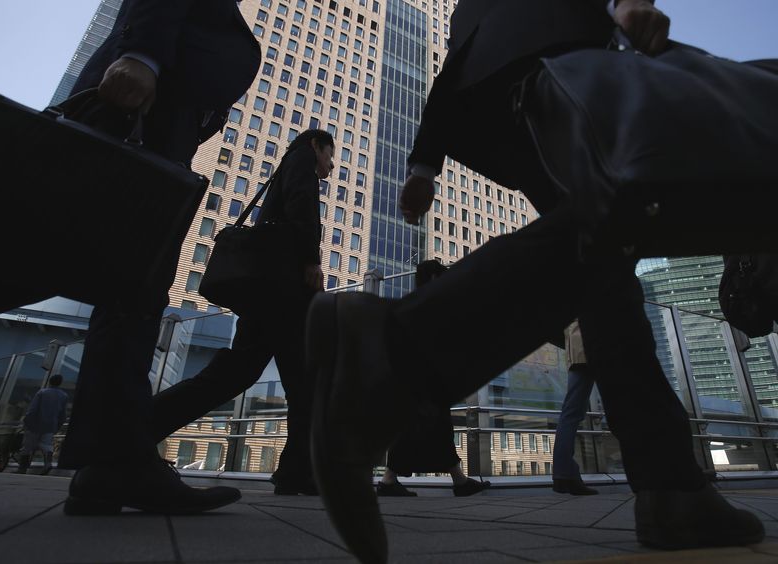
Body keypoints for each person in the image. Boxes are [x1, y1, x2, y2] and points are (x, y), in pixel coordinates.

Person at [305, 1, 765, 562]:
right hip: (561, 67)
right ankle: (392, 349)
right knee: (631, 221)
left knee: (606, 264)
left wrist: (425, 165)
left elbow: (459, 56)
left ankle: (671, 486)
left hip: (502, 95)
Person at [54, 0, 262, 515]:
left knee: (134, 286)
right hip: (149, 100)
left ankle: (110, 463)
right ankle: (118, 462)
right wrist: (143, 55)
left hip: (166, 105)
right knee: (135, 285)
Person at [151, 129, 333, 496]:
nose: (331, 164)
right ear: (316, 145)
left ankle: (298, 471)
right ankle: (299, 472)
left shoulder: (286, 167)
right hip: (286, 292)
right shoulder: (301, 160)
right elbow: (301, 207)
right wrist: (312, 260)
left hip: (269, 292)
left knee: (254, 376)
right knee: (298, 381)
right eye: (331, 154)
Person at [377, 260, 490, 498]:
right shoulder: (429, 304)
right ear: (432, 279)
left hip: (416, 381)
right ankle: (458, 481)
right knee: (434, 427)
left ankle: (391, 480)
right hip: (425, 381)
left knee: (421, 427)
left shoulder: (417, 302)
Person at [552, 321, 598, 496]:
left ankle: (565, 473)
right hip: (599, 342)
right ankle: (565, 473)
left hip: (578, 351)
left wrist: (569, 340)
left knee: (571, 413)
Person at [16, 374, 68, 475]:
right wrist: (57, 426)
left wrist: (27, 421)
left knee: (27, 446)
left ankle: (22, 468)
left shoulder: (42, 392)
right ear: (60, 383)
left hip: (35, 424)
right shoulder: (63, 396)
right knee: (47, 445)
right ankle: (48, 463)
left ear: (50, 381)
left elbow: (32, 409)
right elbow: (62, 414)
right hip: (51, 425)